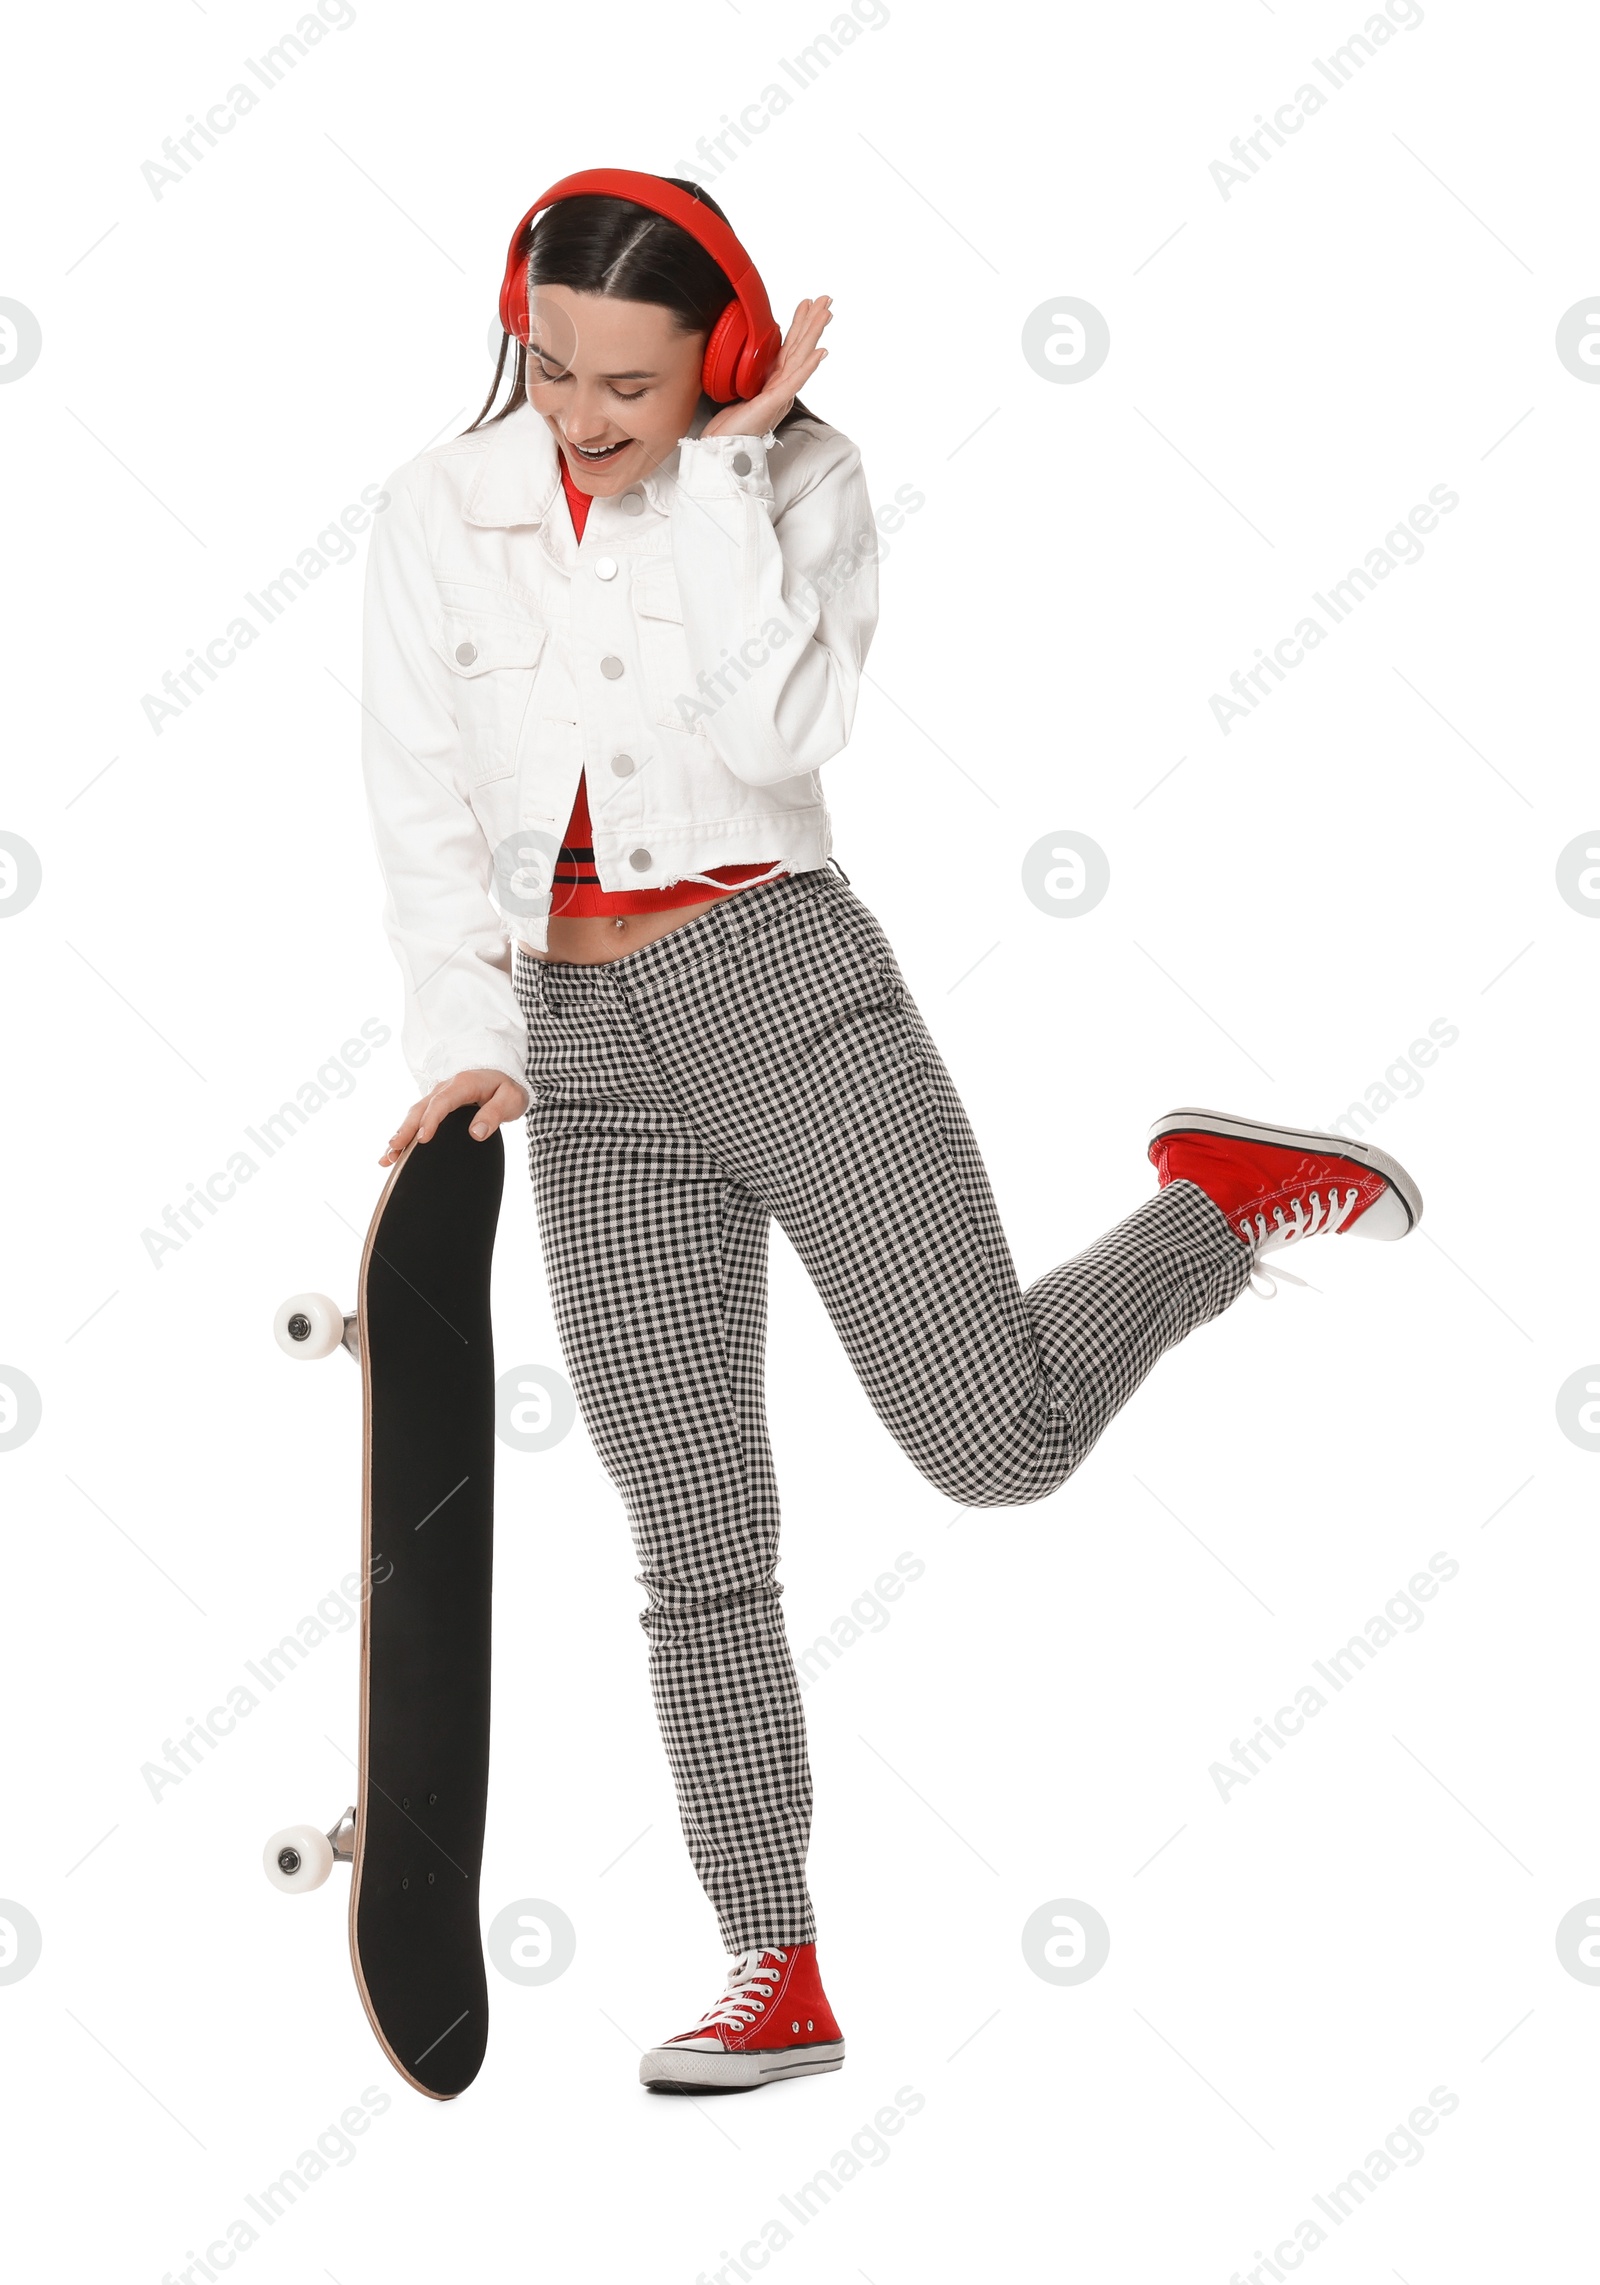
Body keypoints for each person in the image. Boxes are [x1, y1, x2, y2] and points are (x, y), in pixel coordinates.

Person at [359, 170, 1423, 2097]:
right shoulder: (443, 513)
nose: (587, 416)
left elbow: (781, 733)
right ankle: (775, 1969)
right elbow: (420, 794)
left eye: (633, 381)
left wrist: (725, 480)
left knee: (994, 1444)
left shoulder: (800, 487)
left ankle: (1210, 1219)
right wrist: (466, 1037)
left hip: (781, 982)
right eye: (551, 367)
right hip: (579, 1051)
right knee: (695, 1536)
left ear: (729, 356)